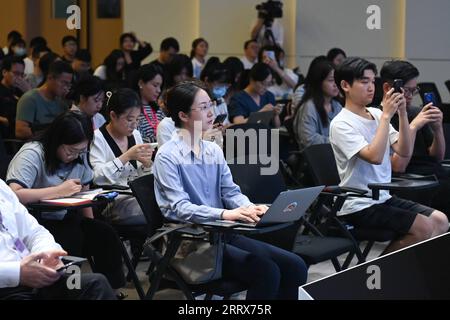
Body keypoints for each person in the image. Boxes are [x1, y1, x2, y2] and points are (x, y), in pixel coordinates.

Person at [153, 81, 307, 300]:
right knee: (267, 272)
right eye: (204, 107)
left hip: (222, 234)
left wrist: (249, 208)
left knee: (296, 265)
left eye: (211, 105)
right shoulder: (167, 156)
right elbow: (179, 208)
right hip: (193, 241)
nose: (212, 113)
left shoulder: (213, 149)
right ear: (184, 115)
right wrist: (225, 214)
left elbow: (230, 192)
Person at [329, 57, 448, 254]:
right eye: (363, 81)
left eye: (371, 81)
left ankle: (406, 270)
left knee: (441, 221)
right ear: (345, 85)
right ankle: (381, 275)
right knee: (424, 227)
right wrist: (386, 115)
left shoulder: (375, 114)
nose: (370, 87)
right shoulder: (341, 123)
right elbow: (374, 156)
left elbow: (404, 150)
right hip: (359, 204)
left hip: (383, 197)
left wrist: (401, 114)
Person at [6, 111, 126, 292]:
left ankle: (112, 290)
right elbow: (14, 194)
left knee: (104, 233)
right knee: (71, 237)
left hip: (66, 215)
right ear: (57, 141)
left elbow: (84, 192)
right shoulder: (33, 153)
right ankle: (70, 292)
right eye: (70, 151)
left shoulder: (80, 155)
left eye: (81, 151)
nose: (75, 156)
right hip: (38, 218)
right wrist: (57, 191)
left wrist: (90, 220)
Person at [0, 179, 116, 300]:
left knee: (94, 284)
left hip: (36, 274)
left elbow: (35, 232)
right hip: (7, 285)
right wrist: (18, 273)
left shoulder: (2, 188)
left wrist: (46, 254)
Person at [380, 60, 450, 213]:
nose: (410, 96)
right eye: (406, 90)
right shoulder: (381, 117)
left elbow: (437, 156)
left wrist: (438, 129)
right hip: (407, 180)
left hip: (432, 174)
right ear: (387, 88)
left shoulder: (415, 112)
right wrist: (413, 127)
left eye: (414, 90)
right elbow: (398, 167)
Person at [90, 89, 153, 225]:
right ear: (113, 115)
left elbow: (141, 174)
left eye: (137, 119)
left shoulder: (135, 134)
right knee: (157, 209)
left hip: (136, 195)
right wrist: (127, 156)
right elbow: (97, 176)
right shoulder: (97, 138)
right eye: (129, 119)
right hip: (112, 202)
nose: (134, 125)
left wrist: (148, 165)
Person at [15, 60, 71, 140]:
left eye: (68, 84)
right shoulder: (30, 99)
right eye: (63, 83)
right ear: (50, 78)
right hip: (36, 146)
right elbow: (20, 131)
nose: (66, 87)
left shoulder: (62, 102)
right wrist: (50, 133)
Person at [293, 60, 342, 150]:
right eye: (331, 80)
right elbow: (309, 140)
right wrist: (337, 142)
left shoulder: (337, 106)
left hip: (335, 154)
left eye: (337, 80)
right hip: (316, 158)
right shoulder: (309, 107)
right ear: (319, 82)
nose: (336, 84)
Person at [228, 62, 281, 127]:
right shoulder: (238, 98)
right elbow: (238, 124)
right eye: (262, 83)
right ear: (251, 80)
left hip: (269, 135)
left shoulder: (269, 96)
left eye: (268, 84)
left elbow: (277, 126)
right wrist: (260, 113)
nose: (265, 87)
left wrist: (275, 114)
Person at [0, 57, 31, 139]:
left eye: (22, 75)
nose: (19, 78)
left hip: (20, 134)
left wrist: (29, 91)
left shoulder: (21, 91)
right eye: (16, 73)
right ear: (4, 72)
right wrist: (3, 120)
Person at [136, 64, 165, 143]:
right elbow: (137, 139)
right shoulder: (133, 110)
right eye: (155, 85)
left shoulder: (158, 110)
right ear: (141, 83)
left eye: (160, 86)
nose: (158, 90)